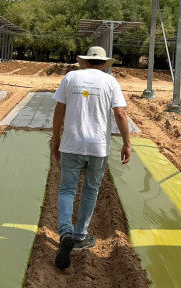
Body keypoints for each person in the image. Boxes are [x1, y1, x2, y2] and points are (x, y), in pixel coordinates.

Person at [51, 45, 131, 270]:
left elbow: (59, 110)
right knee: (90, 190)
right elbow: (120, 113)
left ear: (85, 61)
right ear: (104, 63)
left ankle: (65, 232)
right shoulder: (111, 82)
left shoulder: (71, 77)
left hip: (71, 144)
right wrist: (126, 143)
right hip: (98, 148)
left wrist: (56, 138)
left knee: (67, 189)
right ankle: (79, 236)